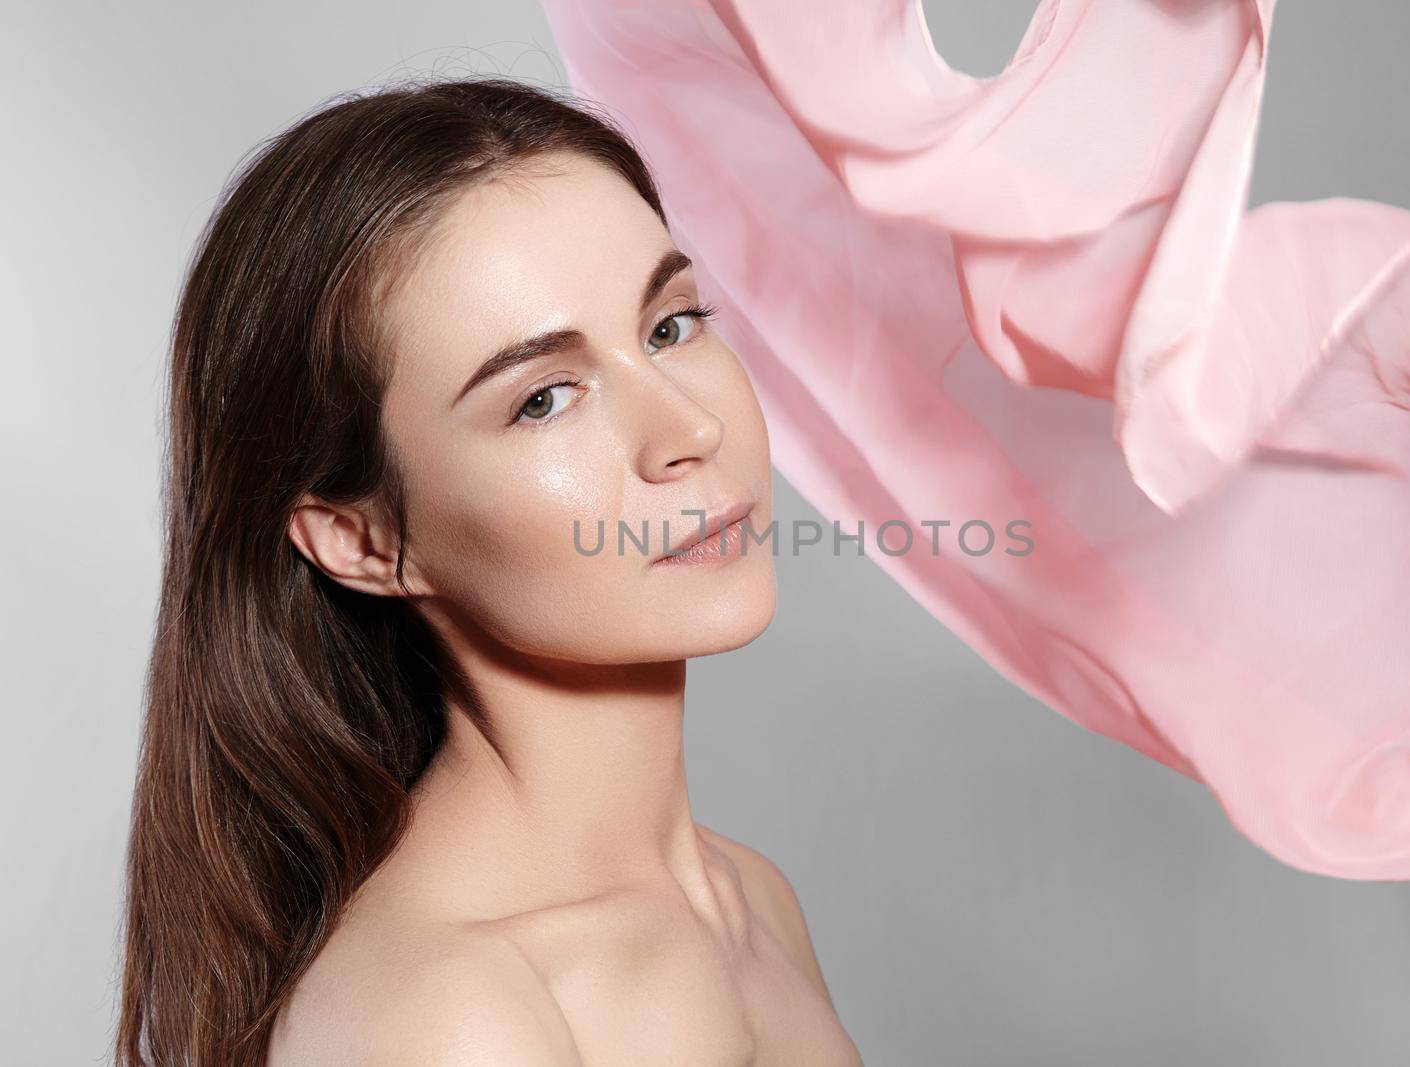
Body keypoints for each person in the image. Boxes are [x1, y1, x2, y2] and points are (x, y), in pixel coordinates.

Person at [116, 75, 863, 1066]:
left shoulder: (750, 899)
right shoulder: (443, 1014)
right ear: (362, 540)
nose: (692, 429)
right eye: (544, 398)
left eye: (671, 326)